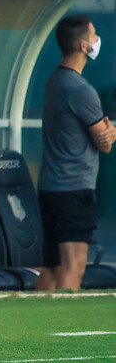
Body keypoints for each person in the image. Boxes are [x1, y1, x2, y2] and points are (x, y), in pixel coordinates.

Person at [35, 15, 116, 291]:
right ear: (83, 46)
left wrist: (106, 130)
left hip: (50, 188)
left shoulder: (54, 81)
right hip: (73, 190)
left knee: (52, 266)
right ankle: (62, 326)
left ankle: (32, 321)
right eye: (94, 36)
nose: (97, 41)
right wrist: (110, 133)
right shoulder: (81, 90)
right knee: (74, 266)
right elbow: (104, 143)